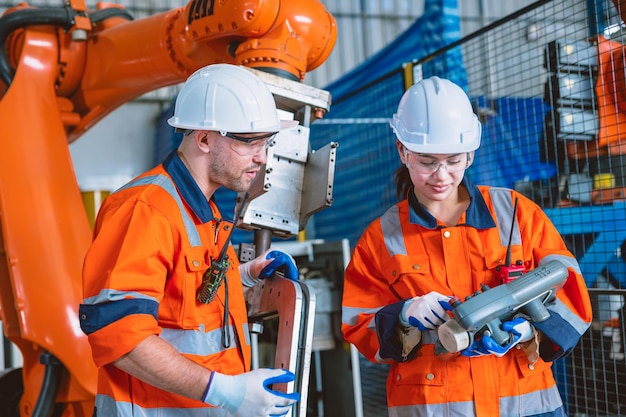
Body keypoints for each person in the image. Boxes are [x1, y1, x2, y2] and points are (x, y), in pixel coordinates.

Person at [341, 76, 592, 417]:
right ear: (403, 151)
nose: (441, 175)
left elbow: (570, 285)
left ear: (471, 154)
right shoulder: (381, 237)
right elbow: (358, 324)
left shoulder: (516, 212)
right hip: (433, 408)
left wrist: (530, 327)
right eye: (427, 162)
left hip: (527, 404)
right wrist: (403, 315)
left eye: (454, 160)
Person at [79, 63, 301, 417]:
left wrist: (241, 279)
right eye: (250, 142)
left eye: (266, 143)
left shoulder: (204, 214)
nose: (262, 157)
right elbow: (120, 336)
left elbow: (186, 307)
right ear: (204, 139)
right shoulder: (145, 209)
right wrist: (225, 390)